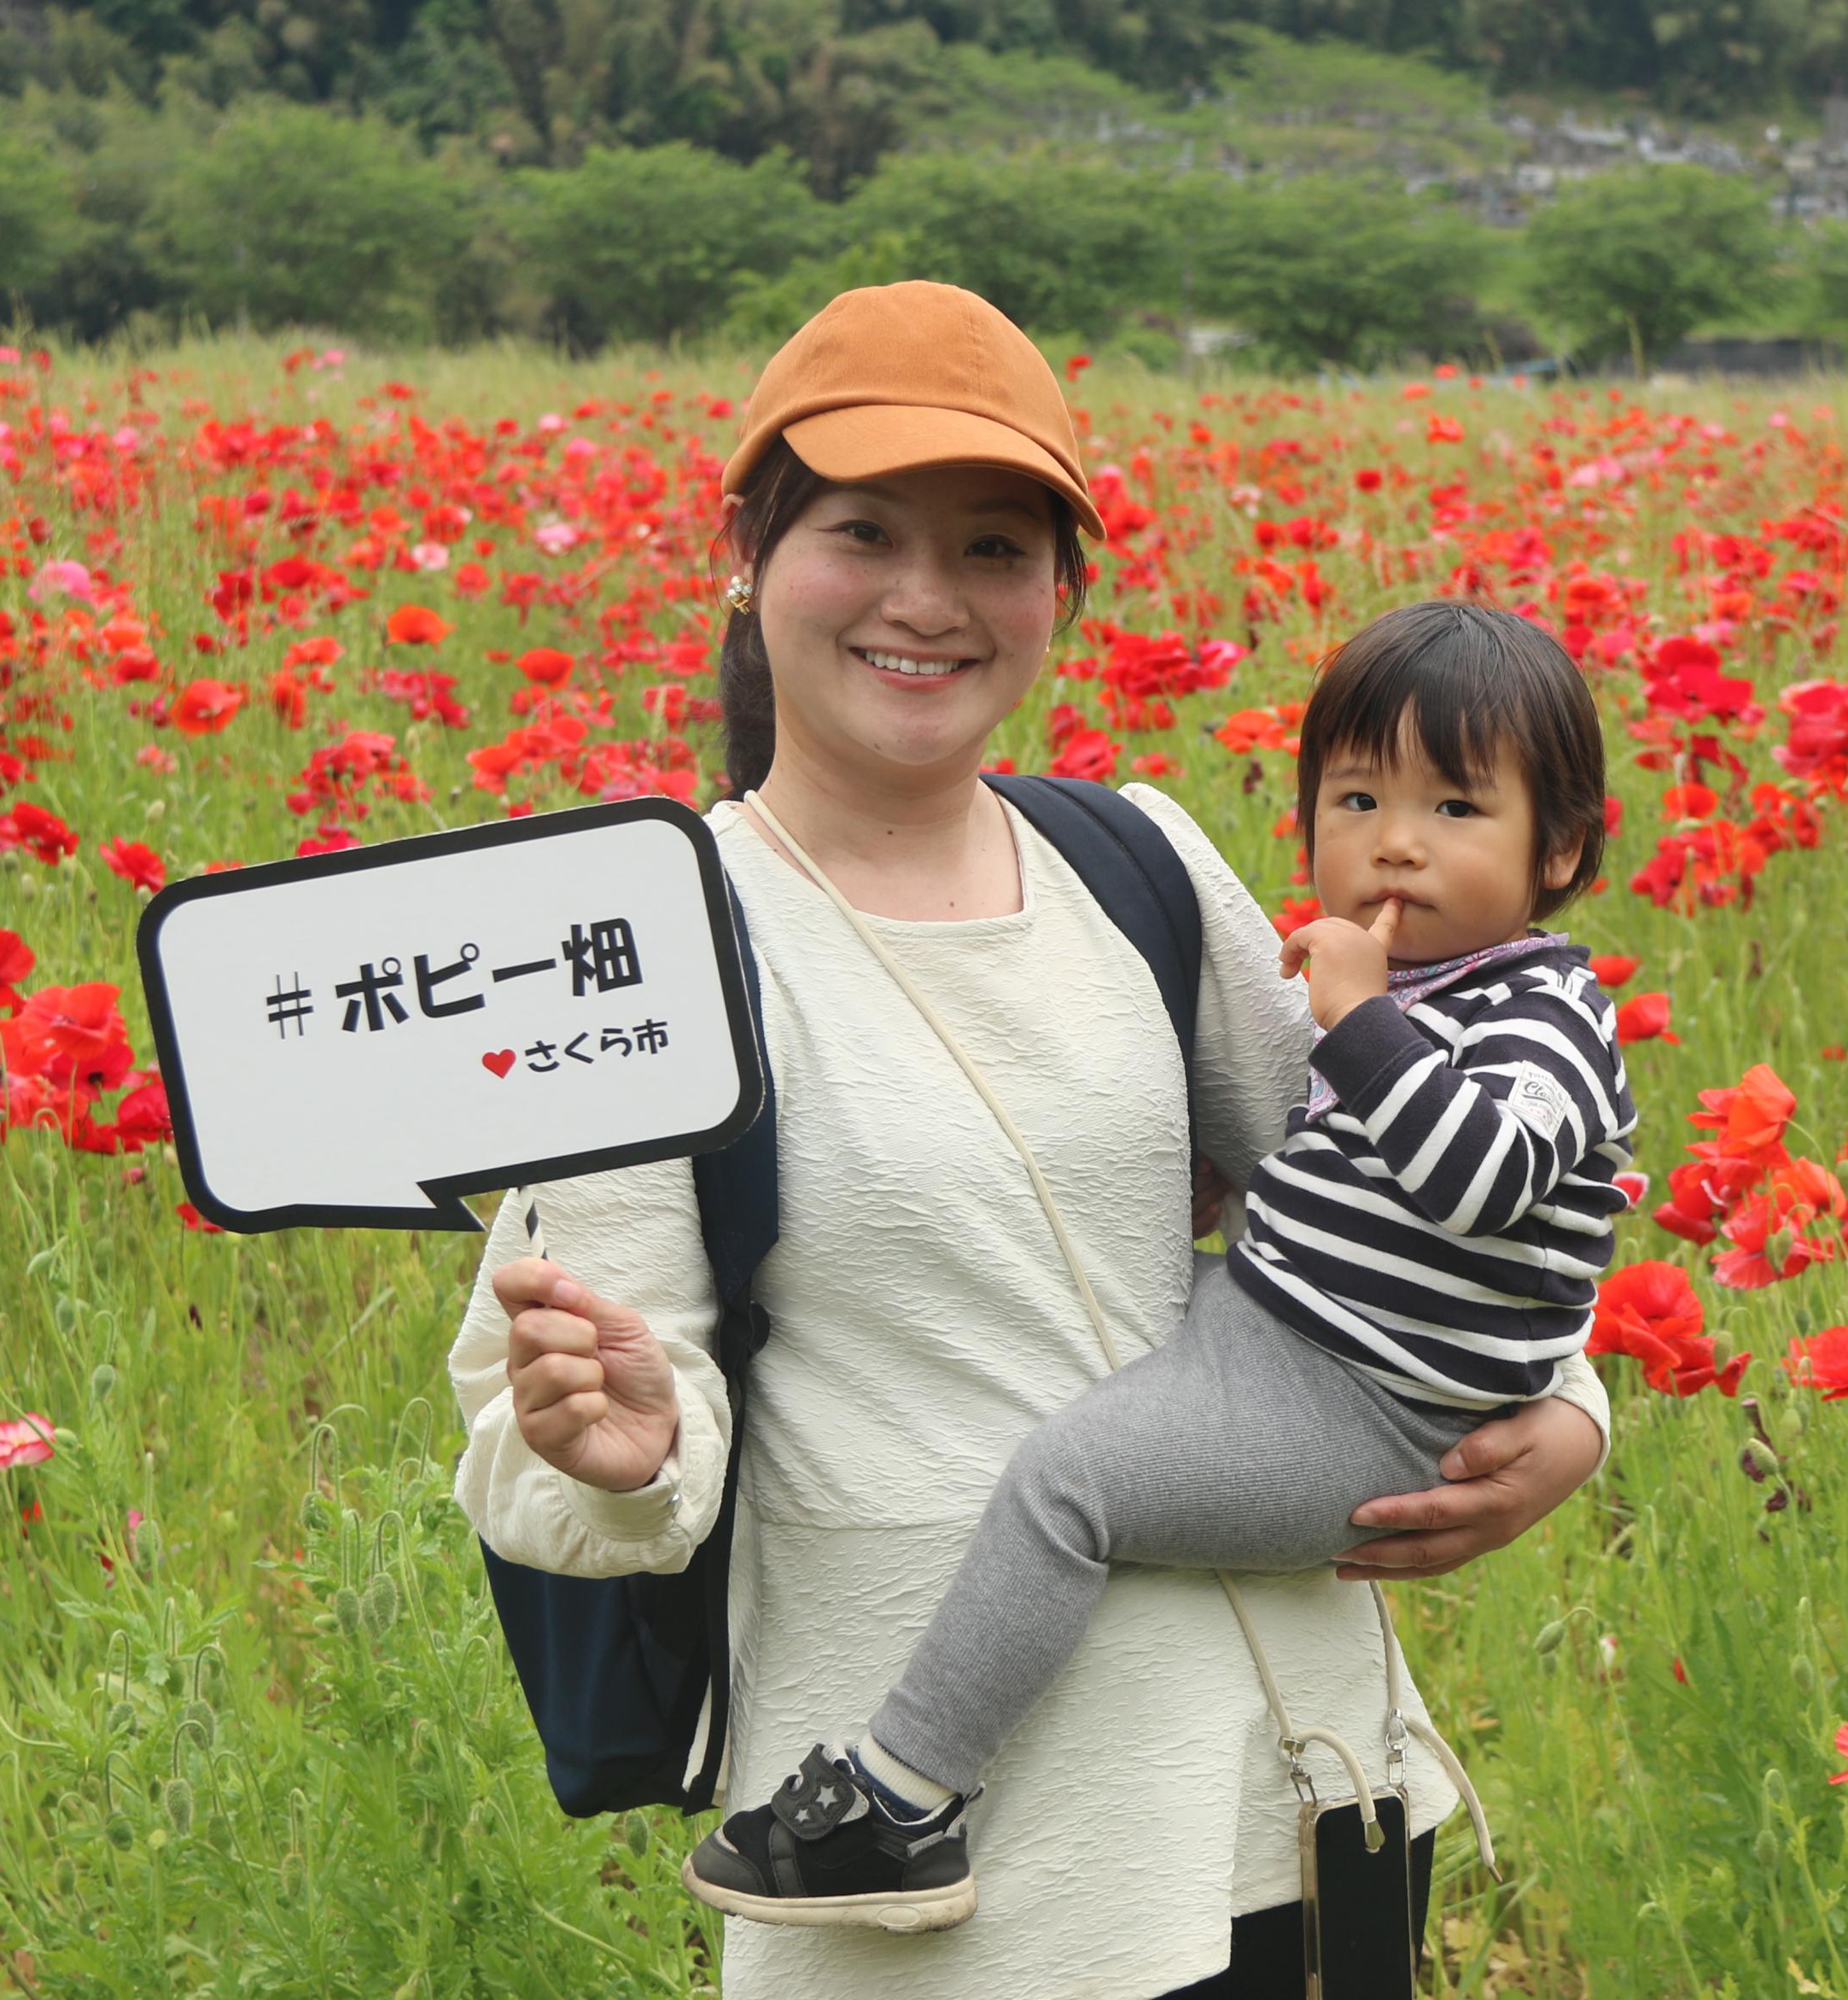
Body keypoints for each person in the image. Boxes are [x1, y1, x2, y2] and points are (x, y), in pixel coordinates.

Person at [446, 280, 1613, 2000]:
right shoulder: (652, 943)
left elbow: (1412, 1186)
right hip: (959, 1899)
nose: (928, 599)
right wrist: (616, 1444)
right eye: (862, 533)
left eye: (996, 548)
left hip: (1301, 1800)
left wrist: (1572, 1407)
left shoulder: (1130, 865)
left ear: (1059, 589)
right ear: (745, 550)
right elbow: (570, 1437)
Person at [679, 599, 1638, 1933]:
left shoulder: (1544, 1014)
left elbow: (1476, 1179)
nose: (1395, 844)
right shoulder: (1420, 992)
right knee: (1040, 1280)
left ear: (1563, 849)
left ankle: (902, 1802)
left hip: (1364, 1408)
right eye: (1355, 799)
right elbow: (1344, 1180)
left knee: (1070, 1486)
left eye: (1457, 809)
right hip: (1279, 1327)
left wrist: (1354, 1021)